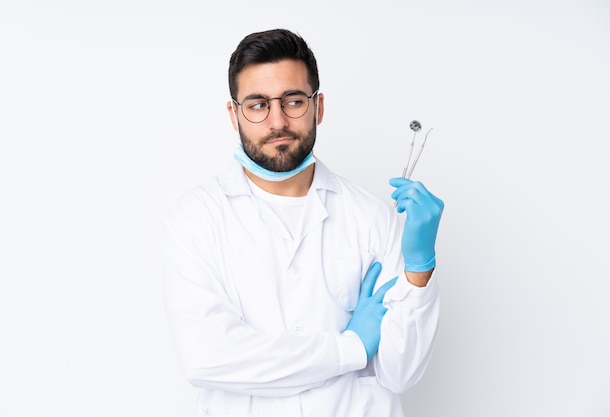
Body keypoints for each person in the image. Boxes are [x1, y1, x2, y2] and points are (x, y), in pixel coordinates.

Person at [163, 28, 444, 417]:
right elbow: (208, 357)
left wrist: (419, 273)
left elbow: (400, 374)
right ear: (234, 114)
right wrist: (352, 347)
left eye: (293, 101)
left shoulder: (372, 217)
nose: (277, 121)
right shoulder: (197, 217)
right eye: (258, 104)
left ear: (318, 107)